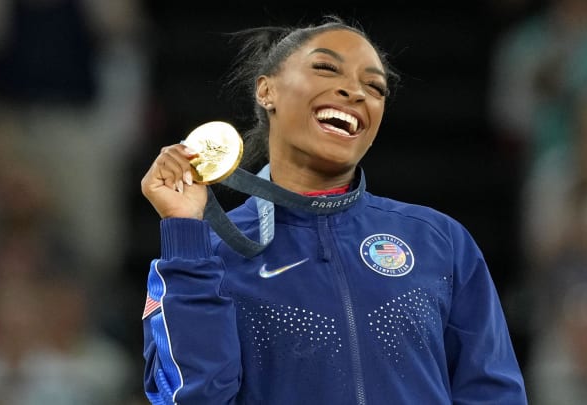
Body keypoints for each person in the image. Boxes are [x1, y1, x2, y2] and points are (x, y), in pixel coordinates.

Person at [140, 15, 528, 404]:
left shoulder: (438, 240)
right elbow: (191, 397)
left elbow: (493, 393)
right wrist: (184, 231)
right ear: (266, 90)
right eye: (326, 68)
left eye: (374, 87)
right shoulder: (207, 256)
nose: (355, 92)